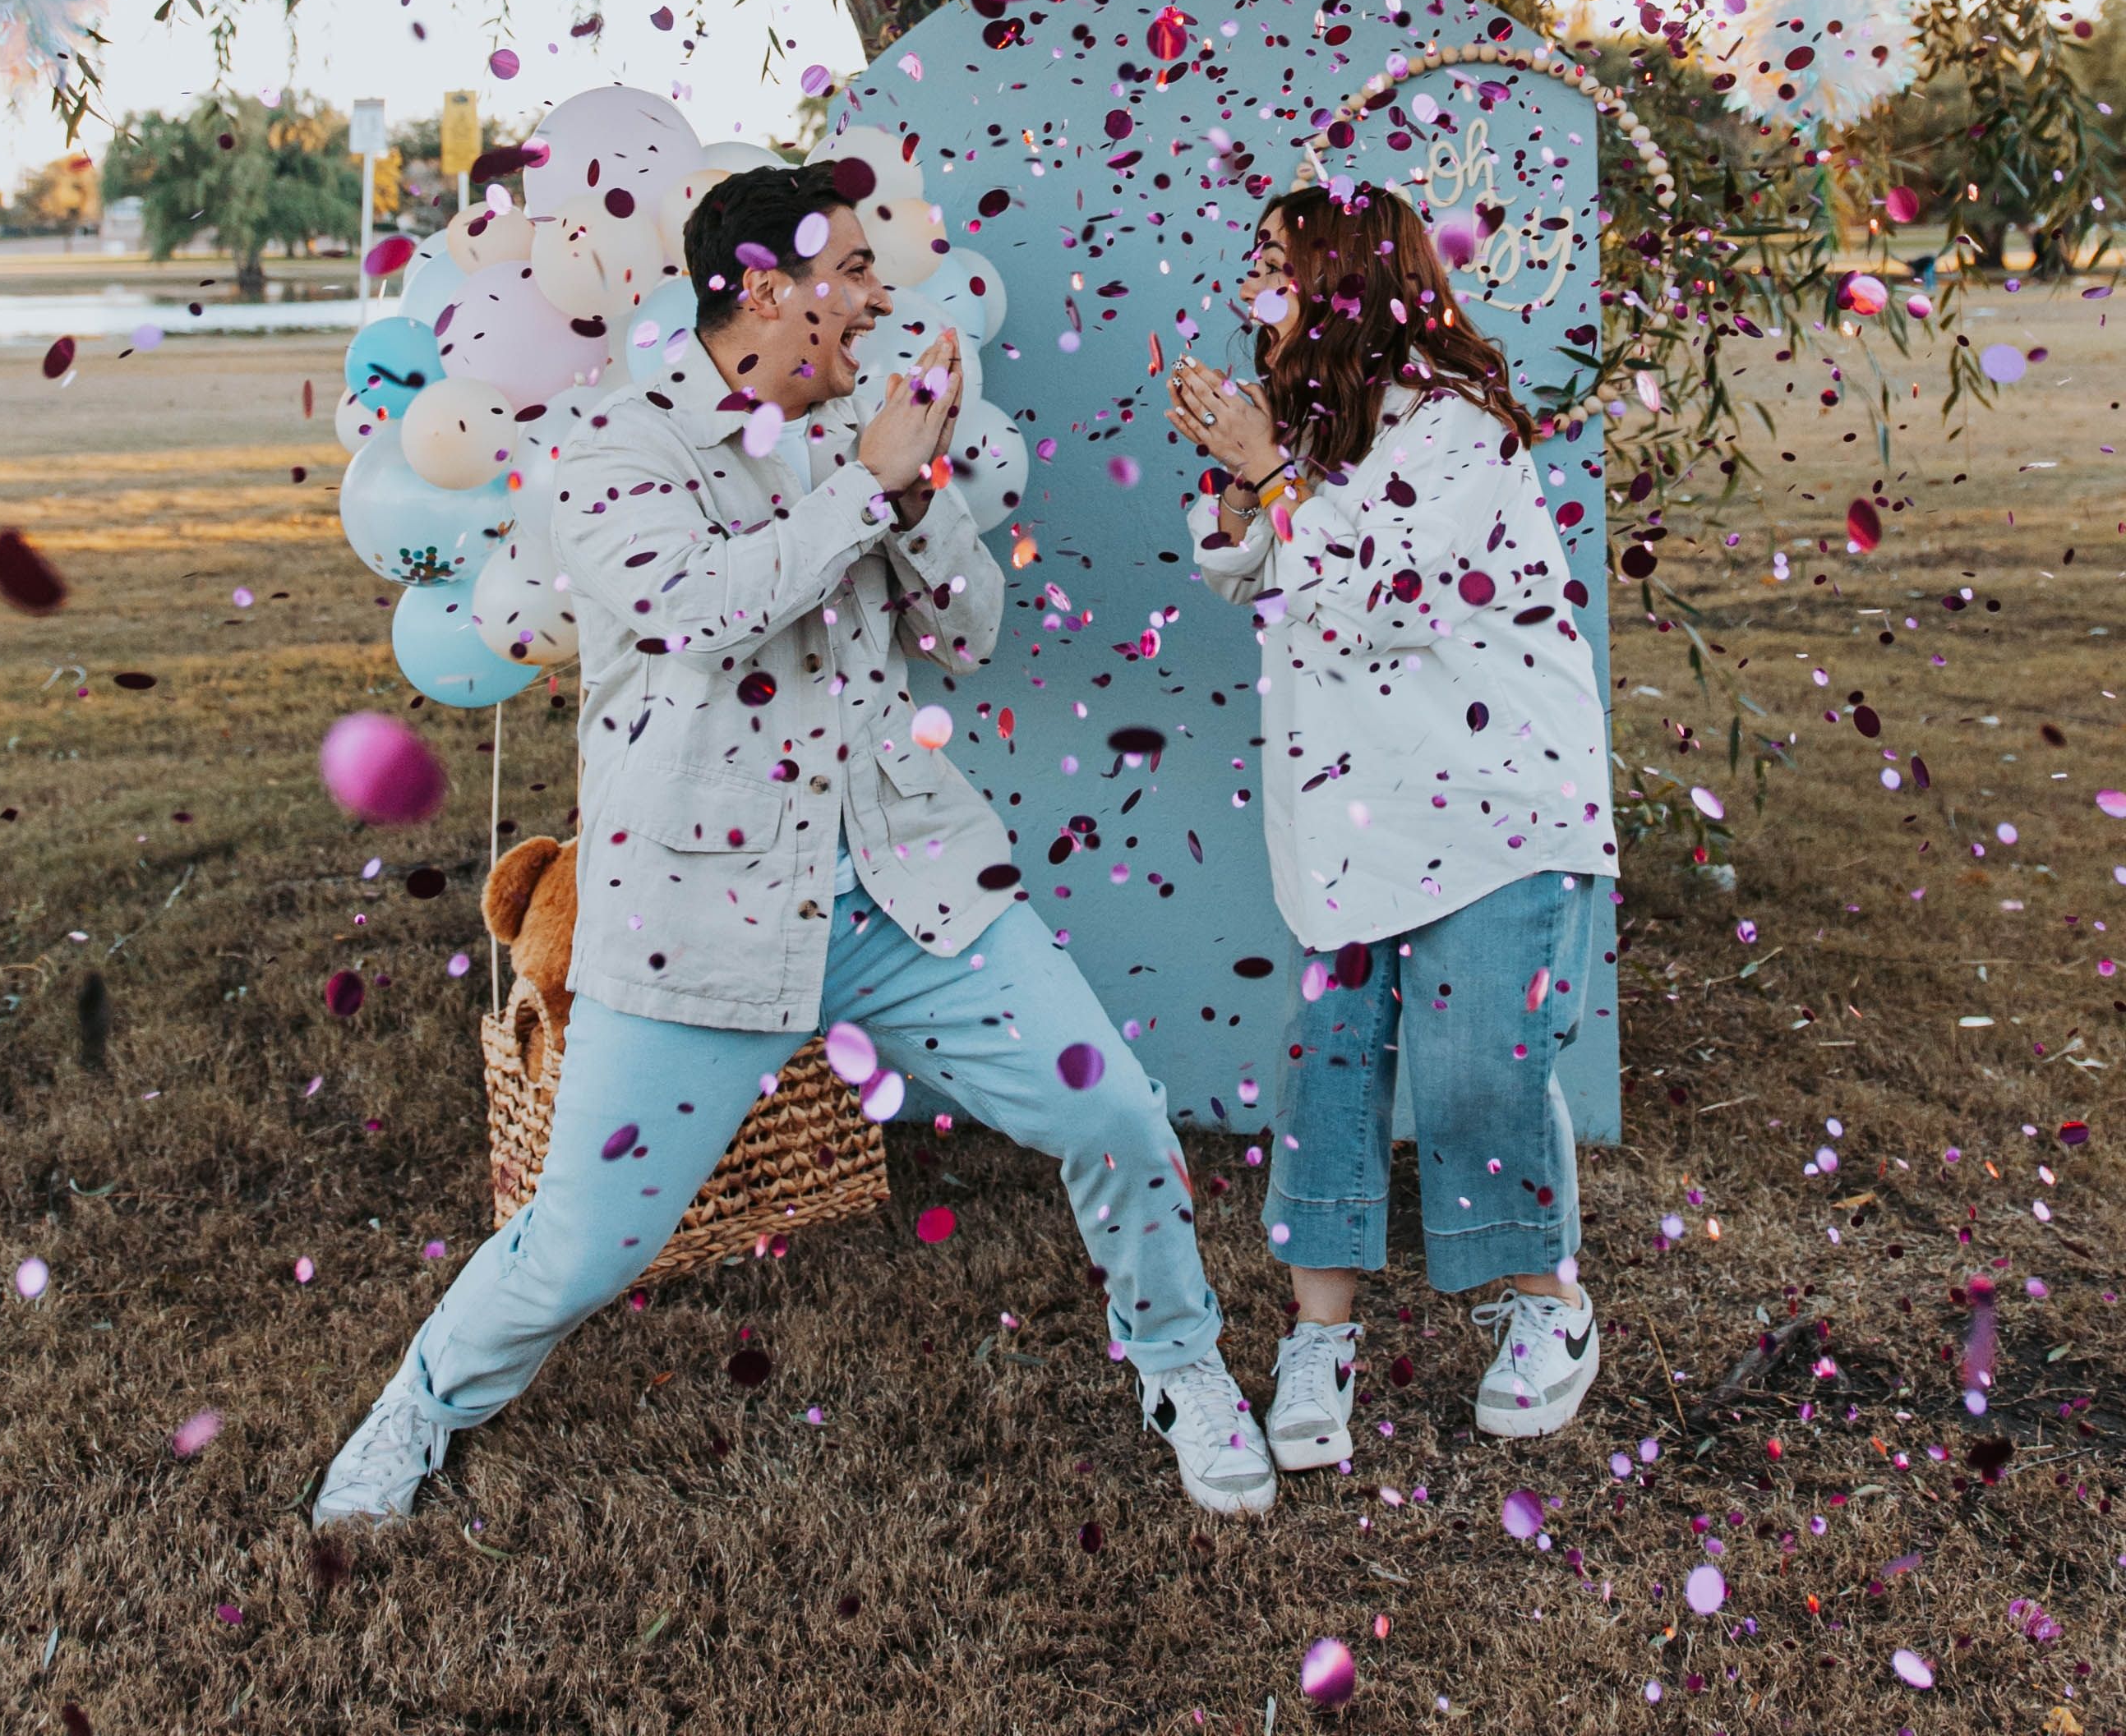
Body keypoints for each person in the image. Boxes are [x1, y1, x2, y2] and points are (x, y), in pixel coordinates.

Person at [317, 162, 1275, 1526]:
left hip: (909, 888)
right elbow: (703, 611)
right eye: (858, 277)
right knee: (587, 1244)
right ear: (769, 288)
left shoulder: (862, 443)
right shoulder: (612, 452)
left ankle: (1181, 1364)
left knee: (1115, 1112)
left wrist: (921, 480)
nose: (884, 301)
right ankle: (418, 1405)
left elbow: (966, 634)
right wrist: (865, 488)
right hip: (696, 915)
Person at [1164, 181, 1618, 1469]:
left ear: (1349, 278)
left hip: (1493, 804)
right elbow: (1238, 563)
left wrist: (1268, 466)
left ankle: (1547, 1307)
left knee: (1481, 1063)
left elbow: (1391, 593)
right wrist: (1242, 478)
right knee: (1333, 1061)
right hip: (1358, 811)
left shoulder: (1461, 427)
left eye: (1279, 259)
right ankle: (1323, 1335)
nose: (1260, 280)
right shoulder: (1318, 426)